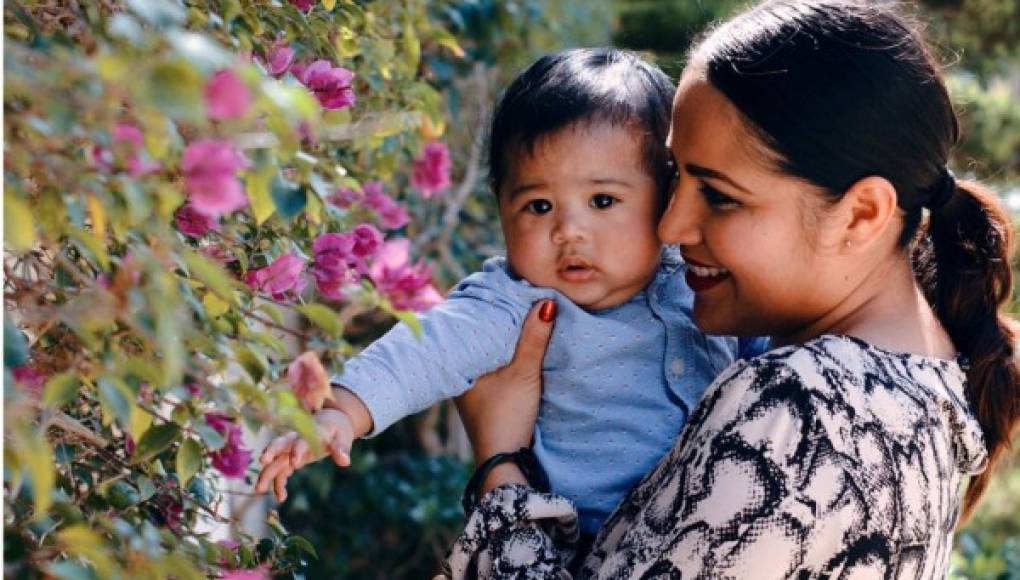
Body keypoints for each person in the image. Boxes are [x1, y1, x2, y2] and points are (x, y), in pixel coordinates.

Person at [441, 1, 1020, 578]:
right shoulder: (928, 382)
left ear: (861, 214)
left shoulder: (798, 408)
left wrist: (501, 465)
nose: (670, 227)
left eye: (719, 195)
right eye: (674, 177)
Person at [255, 48, 767, 536]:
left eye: (603, 200)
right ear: (503, 209)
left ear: (667, 198)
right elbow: (427, 349)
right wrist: (342, 411)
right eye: (539, 206)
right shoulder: (514, 303)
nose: (569, 230)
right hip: (578, 538)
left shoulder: (697, 277)